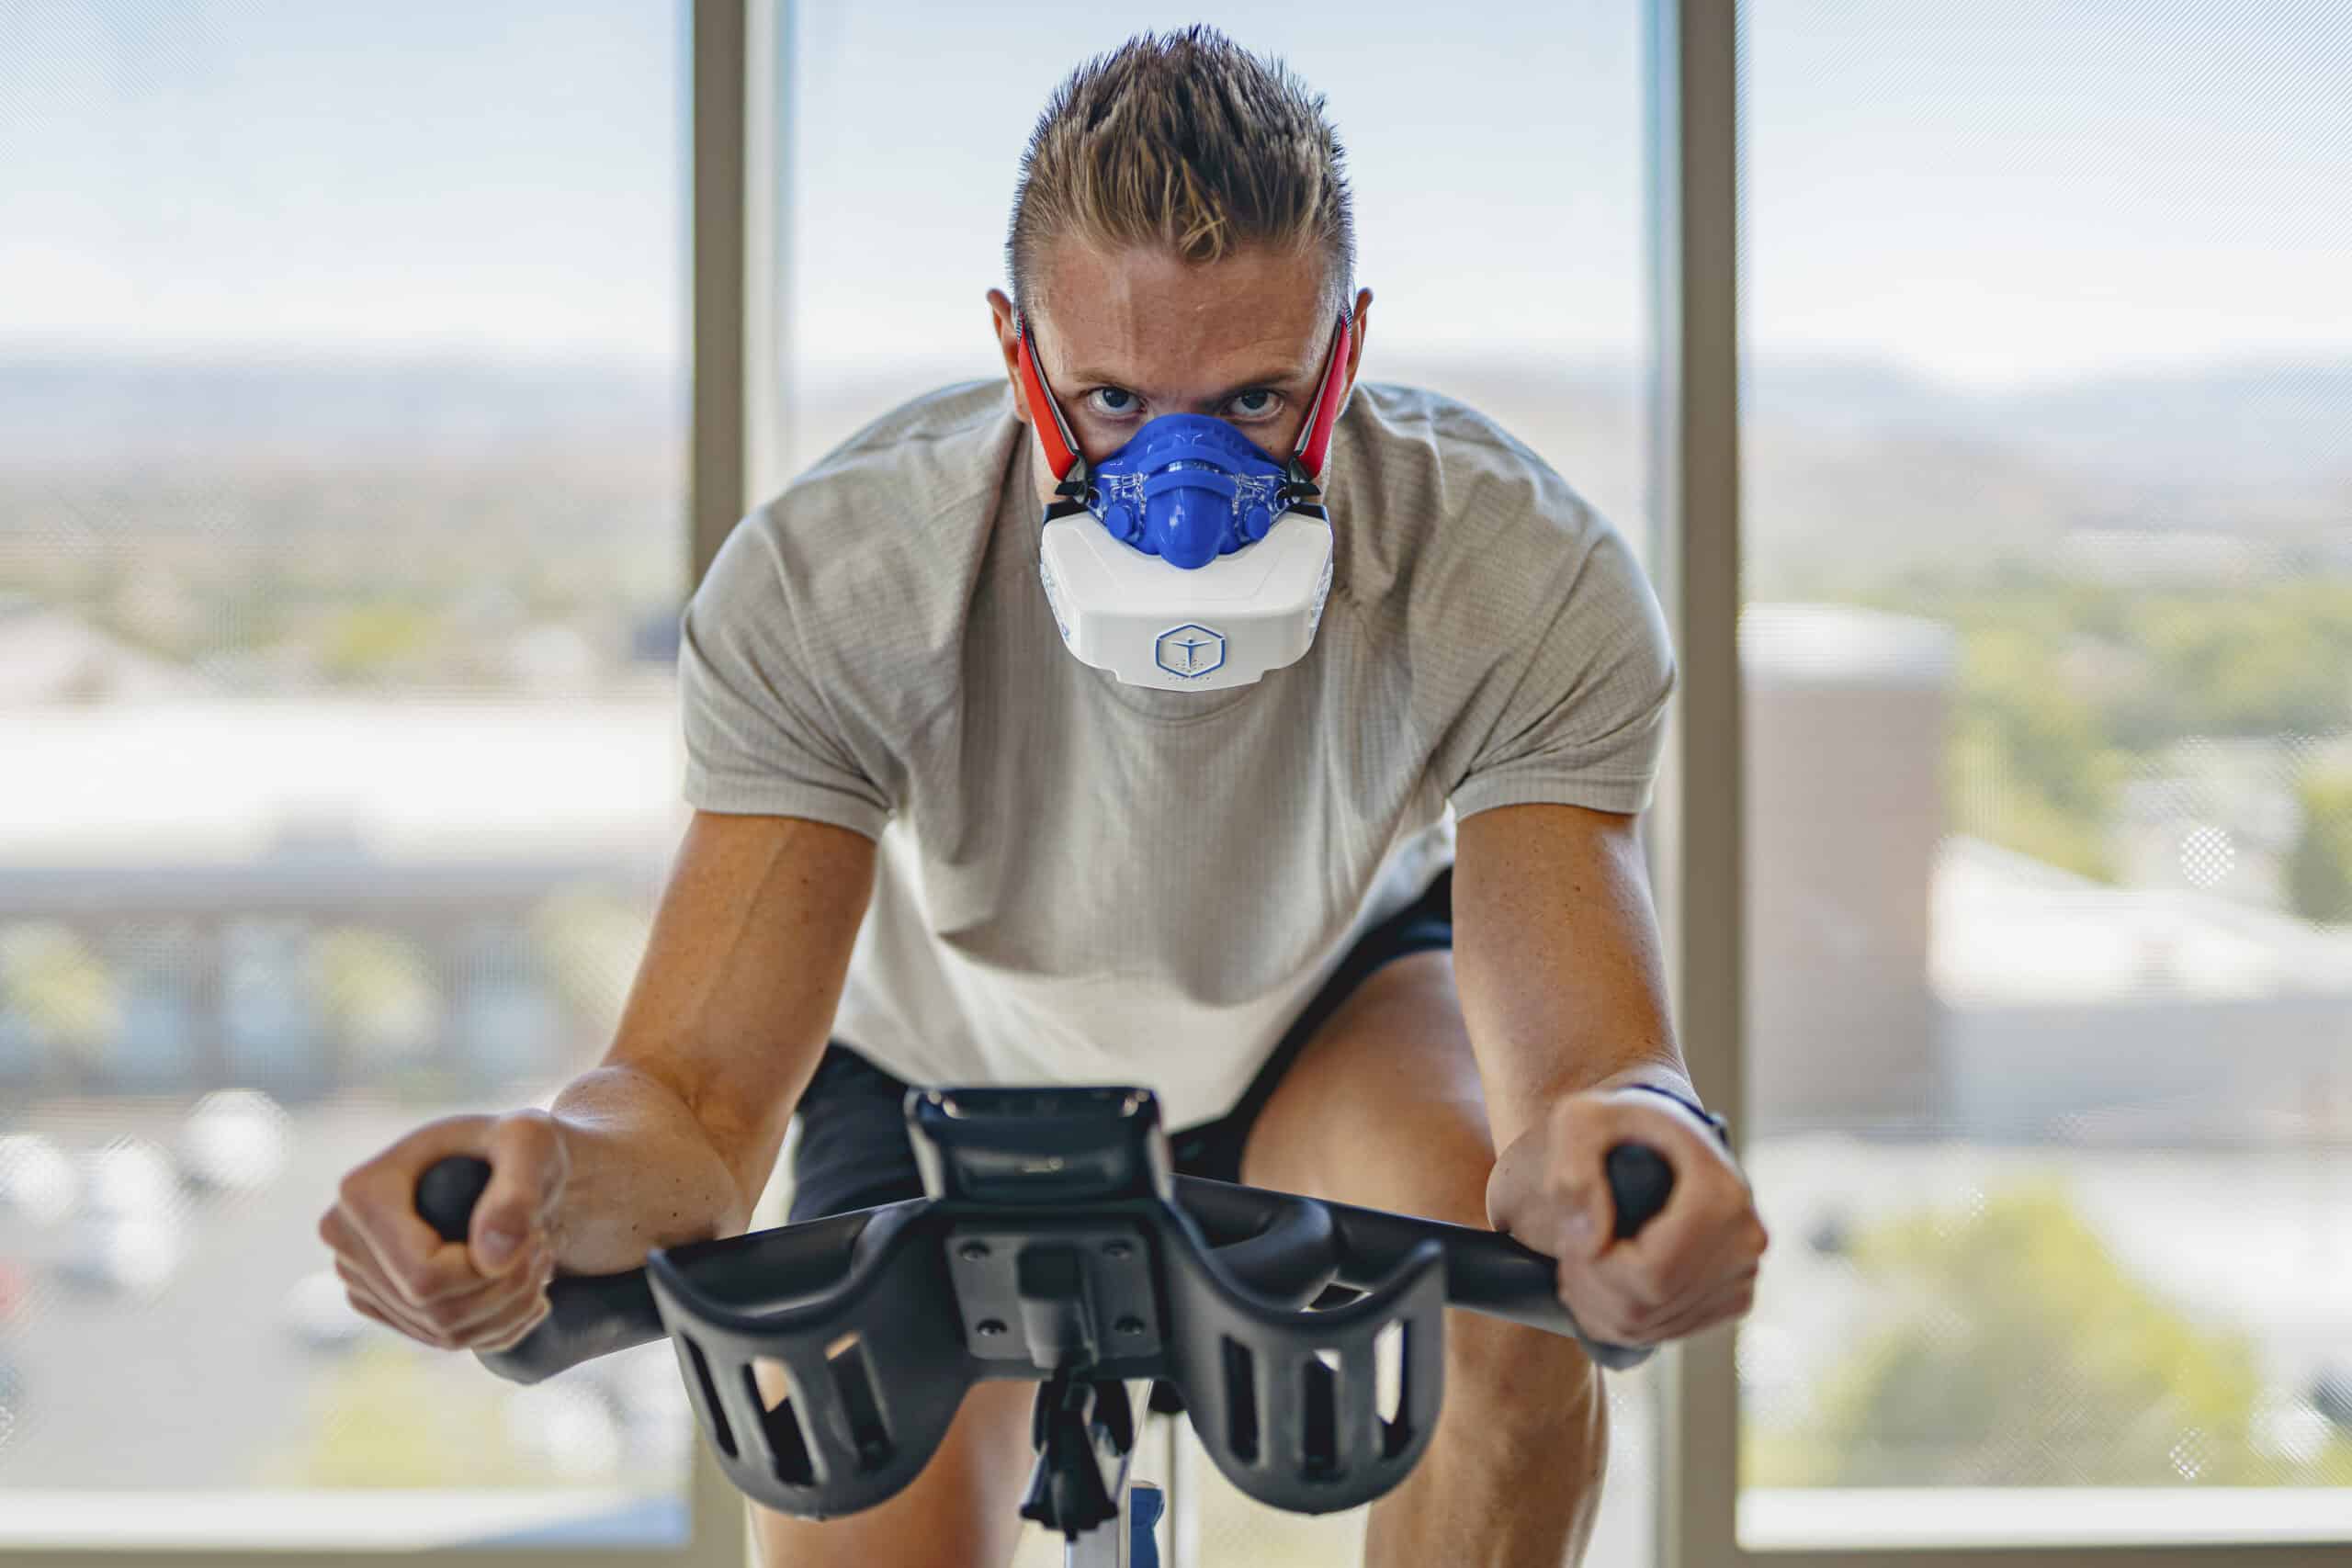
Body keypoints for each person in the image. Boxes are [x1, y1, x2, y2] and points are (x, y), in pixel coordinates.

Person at [319, 26, 1768, 1568]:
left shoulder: (1516, 571)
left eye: (1263, 397)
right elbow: (687, 1107)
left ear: (1347, 355)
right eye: (1117, 401)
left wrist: (1632, 1177)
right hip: (944, 1065)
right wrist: (536, 1195)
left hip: (1322, 1021)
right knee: (846, 1497)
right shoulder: (838, 579)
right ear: (1022, 357)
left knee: (1498, 1304)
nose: (1189, 488)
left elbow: (1583, 1089)